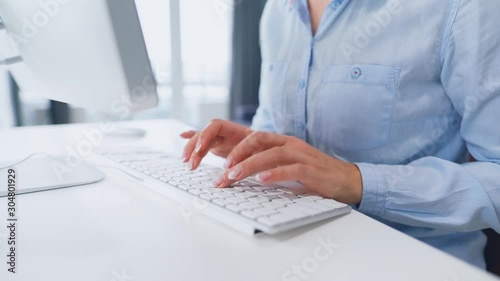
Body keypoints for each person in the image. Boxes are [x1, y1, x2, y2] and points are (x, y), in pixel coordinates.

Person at [181, 0, 500, 269]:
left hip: (410, 265)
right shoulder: (279, 9)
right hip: (286, 257)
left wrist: (357, 181)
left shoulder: (463, 8)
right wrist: (256, 146)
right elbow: (278, 132)